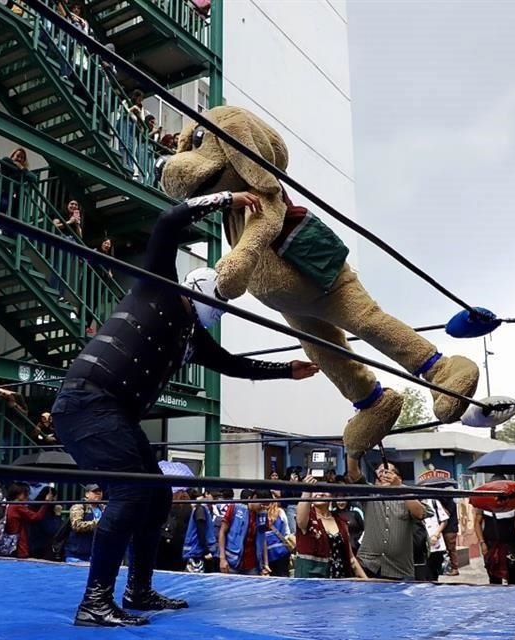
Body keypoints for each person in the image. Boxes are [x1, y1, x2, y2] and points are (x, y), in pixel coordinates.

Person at [51, 190, 320, 627]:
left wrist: (286, 370)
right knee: (131, 491)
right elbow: (168, 222)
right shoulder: (158, 283)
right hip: (88, 401)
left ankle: (138, 589)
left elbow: (235, 365)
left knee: (155, 495)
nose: (210, 313)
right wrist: (226, 199)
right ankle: (95, 601)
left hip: (113, 412)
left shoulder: (192, 335)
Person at [348, 460, 429, 580]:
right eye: (380, 472)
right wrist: (352, 451)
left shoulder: (407, 497)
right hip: (368, 565)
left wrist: (399, 488)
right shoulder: (370, 494)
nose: (384, 475)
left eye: (388, 472)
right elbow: (353, 472)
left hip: (399, 569)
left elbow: (420, 513)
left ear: (398, 478)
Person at [294, 475, 367, 579]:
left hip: (340, 583)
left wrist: (367, 581)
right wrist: (307, 490)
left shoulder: (341, 522)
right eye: (315, 491)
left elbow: (351, 559)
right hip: (312, 584)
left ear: (332, 495)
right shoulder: (308, 519)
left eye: (324, 490)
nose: (320, 493)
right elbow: (300, 520)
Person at [474, 486, 515, 585]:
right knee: (494, 579)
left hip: (511, 546)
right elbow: (477, 524)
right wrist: (482, 543)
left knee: (514, 577)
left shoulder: (514, 505)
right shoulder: (484, 505)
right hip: (491, 546)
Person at [218, 489, 270, 576]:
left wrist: (265, 564)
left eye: (266, 506)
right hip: (231, 563)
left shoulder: (263, 515)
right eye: (262, 505)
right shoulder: (234, 508)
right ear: (254, 498)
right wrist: (222, 559)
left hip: (252, 566)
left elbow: (263, 539)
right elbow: (222, 532)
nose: (263, 508)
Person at [0, 483, 53, 558]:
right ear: (18, 494)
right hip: (19, 543)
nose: (28, 496)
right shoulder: (17, 507)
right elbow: (36, 517)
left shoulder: (9, 505)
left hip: (11, 541)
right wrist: (46, 503)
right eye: (25, 493)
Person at [65, 484, 104, 563]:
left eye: (100, 491)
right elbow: (77, 525)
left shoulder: (103, 507)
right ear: (87, 494)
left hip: (96, 554)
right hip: (77, 555)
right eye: (94, 491)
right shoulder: (78, 506)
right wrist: (98, 523)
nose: (98, 493)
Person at [182, 488, 217, 573]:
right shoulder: (201, 509)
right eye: (214, 496)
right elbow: (200, 530)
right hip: (197, 553)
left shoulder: (203, 508)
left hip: (197, 552)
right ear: (206, 494)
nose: (216, 499)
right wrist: (206, 551)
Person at [29, 486, 65, 560]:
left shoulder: (34, 507)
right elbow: (53, 530)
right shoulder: (44, 511)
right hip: (42, 549)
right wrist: (57, 515)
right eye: (54, 498)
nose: (56, 500)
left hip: (33, 546)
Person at [422, 497, 449, 581]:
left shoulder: (434, 502)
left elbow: (444, 520)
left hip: (436, 543)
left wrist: (436, 534)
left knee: (434, 572)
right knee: (425, 572)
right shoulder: (415, 503)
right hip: (422, 543)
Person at [438, 496, 460, 576]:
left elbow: (447, 513)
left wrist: (440, 506)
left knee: (451, 549)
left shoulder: (450, 502)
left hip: (450, 529)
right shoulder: (448, 501)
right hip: (448, 529)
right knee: (448, 549)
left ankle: (455, 568)